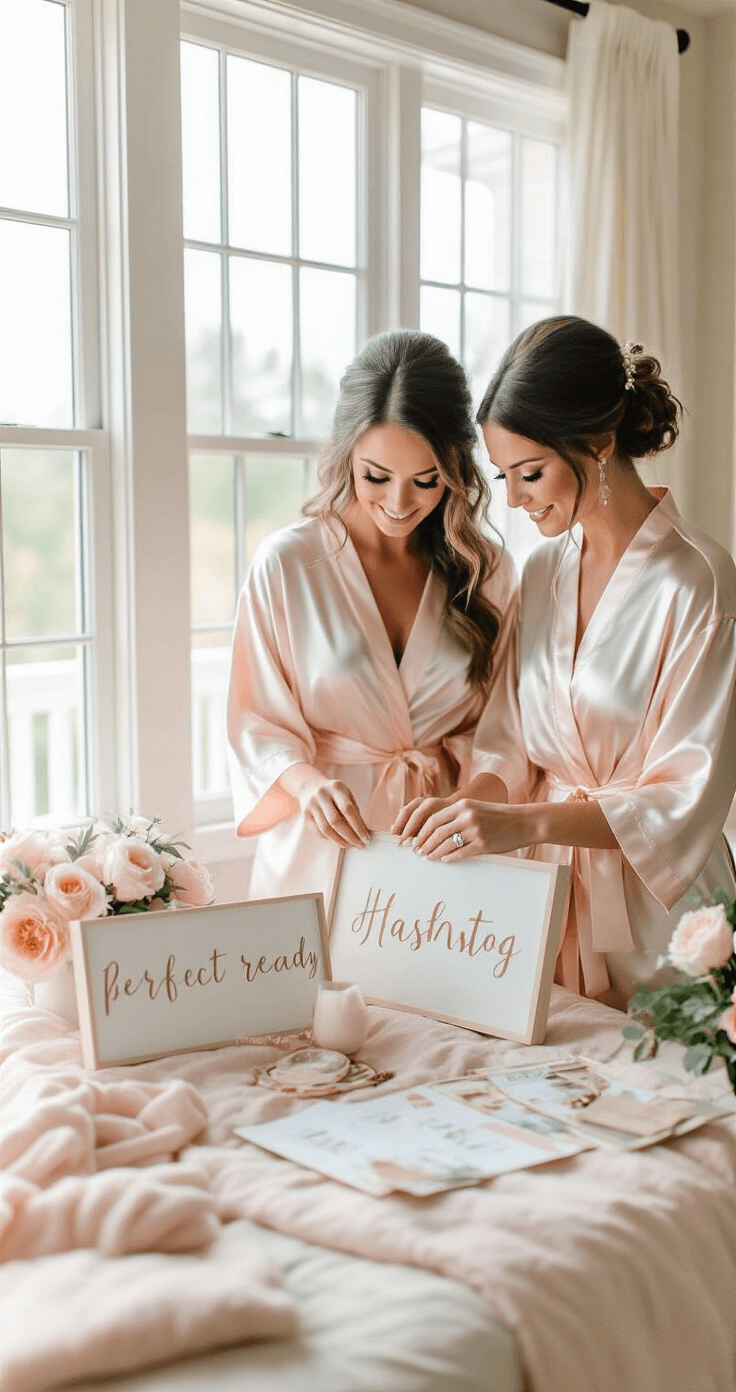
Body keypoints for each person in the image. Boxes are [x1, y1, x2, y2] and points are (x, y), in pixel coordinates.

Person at [395, 316, 736, 1006]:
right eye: (503, 476)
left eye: (531, 473)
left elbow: (683, 795)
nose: (514, 500)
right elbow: (507, 742)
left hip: (662, 912)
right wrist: (465, 809)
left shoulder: (699, 580)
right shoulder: (544, 571)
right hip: (545, 896)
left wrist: (524, 824)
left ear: (600, 446)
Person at [227, 329, 526, 906]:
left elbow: (506, 725)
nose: (398, 503)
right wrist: (308, 784)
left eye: (426, 480)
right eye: (376, 477)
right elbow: (255, 719)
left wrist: (476, 800)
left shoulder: (487, 571)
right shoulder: (289, 564)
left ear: (456, 468)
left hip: (441, 856)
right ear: (346, 456)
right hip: (319, 849)